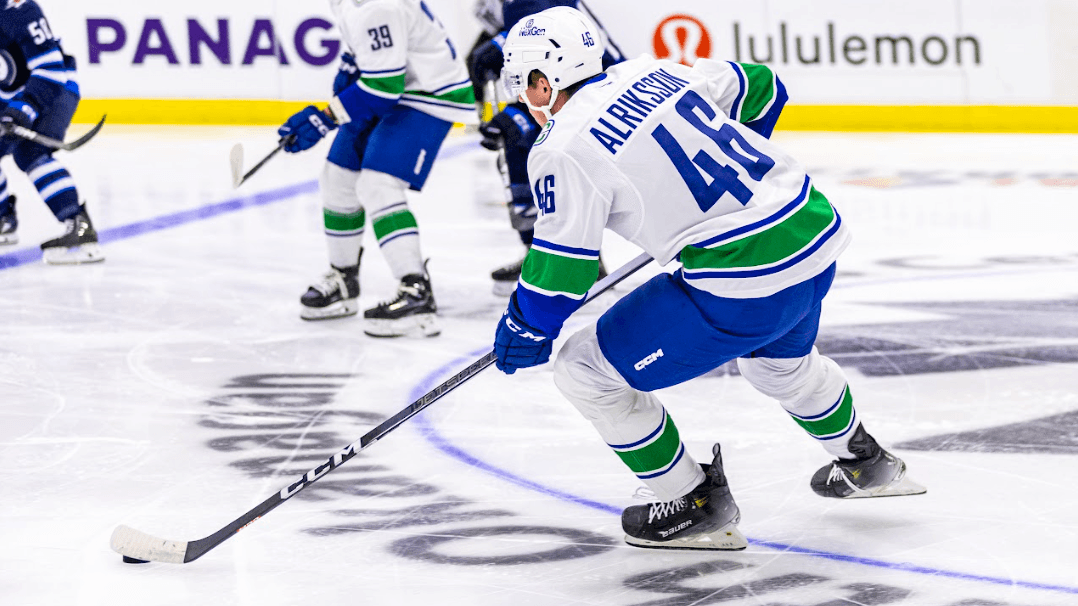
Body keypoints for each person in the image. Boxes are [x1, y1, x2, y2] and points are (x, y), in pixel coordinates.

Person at [492, 7, 926, 550]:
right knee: (778, 368)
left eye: (524, 85)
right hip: (813, 238)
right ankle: (865, 461)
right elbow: (762, 85)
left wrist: (526, 326)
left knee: (583, 370)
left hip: (746, 283)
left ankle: (690, 501)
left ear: (542, 78)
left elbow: (561, 276)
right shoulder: (654, 71)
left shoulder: (561, 146)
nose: (524, 101)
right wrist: (732, 187)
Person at [278, 0, 476, 337]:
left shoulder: (380, 6)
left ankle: (416, 291)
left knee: (378, 184)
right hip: (392, 86)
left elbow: (384, 89)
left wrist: (325, 118)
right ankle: (344, 278)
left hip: (429, 93)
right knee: (337, 177)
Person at [467, 0, 622, 295]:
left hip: (591, 86)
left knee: (523, 137)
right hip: (580, 82)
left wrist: (496, 46)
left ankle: (577, 259)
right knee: (514, 132)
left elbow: (544, 26)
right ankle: (540, 252)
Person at [0, 0, 103, 264]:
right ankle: (3, 220)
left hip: (55, 89)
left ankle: (78, 224)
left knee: (30, 153)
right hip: (13, 97)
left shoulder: (18, 9)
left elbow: (50, 69)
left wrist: (24, 109)